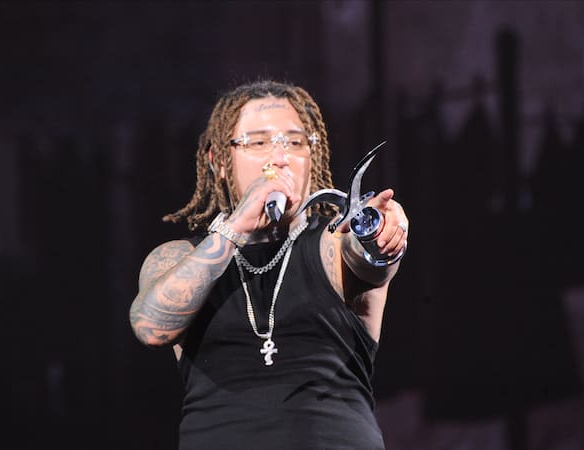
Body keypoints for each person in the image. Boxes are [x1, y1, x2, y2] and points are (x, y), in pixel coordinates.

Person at [129, 80, 409, 449]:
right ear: (219, 161)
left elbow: (369, 257)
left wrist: (380, 232)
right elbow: (151, 328)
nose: (279, 157)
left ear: (312, 156)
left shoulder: (334, 241)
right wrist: (237, 226)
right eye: (258, 143)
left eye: (294, 142)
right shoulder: (178, 257)